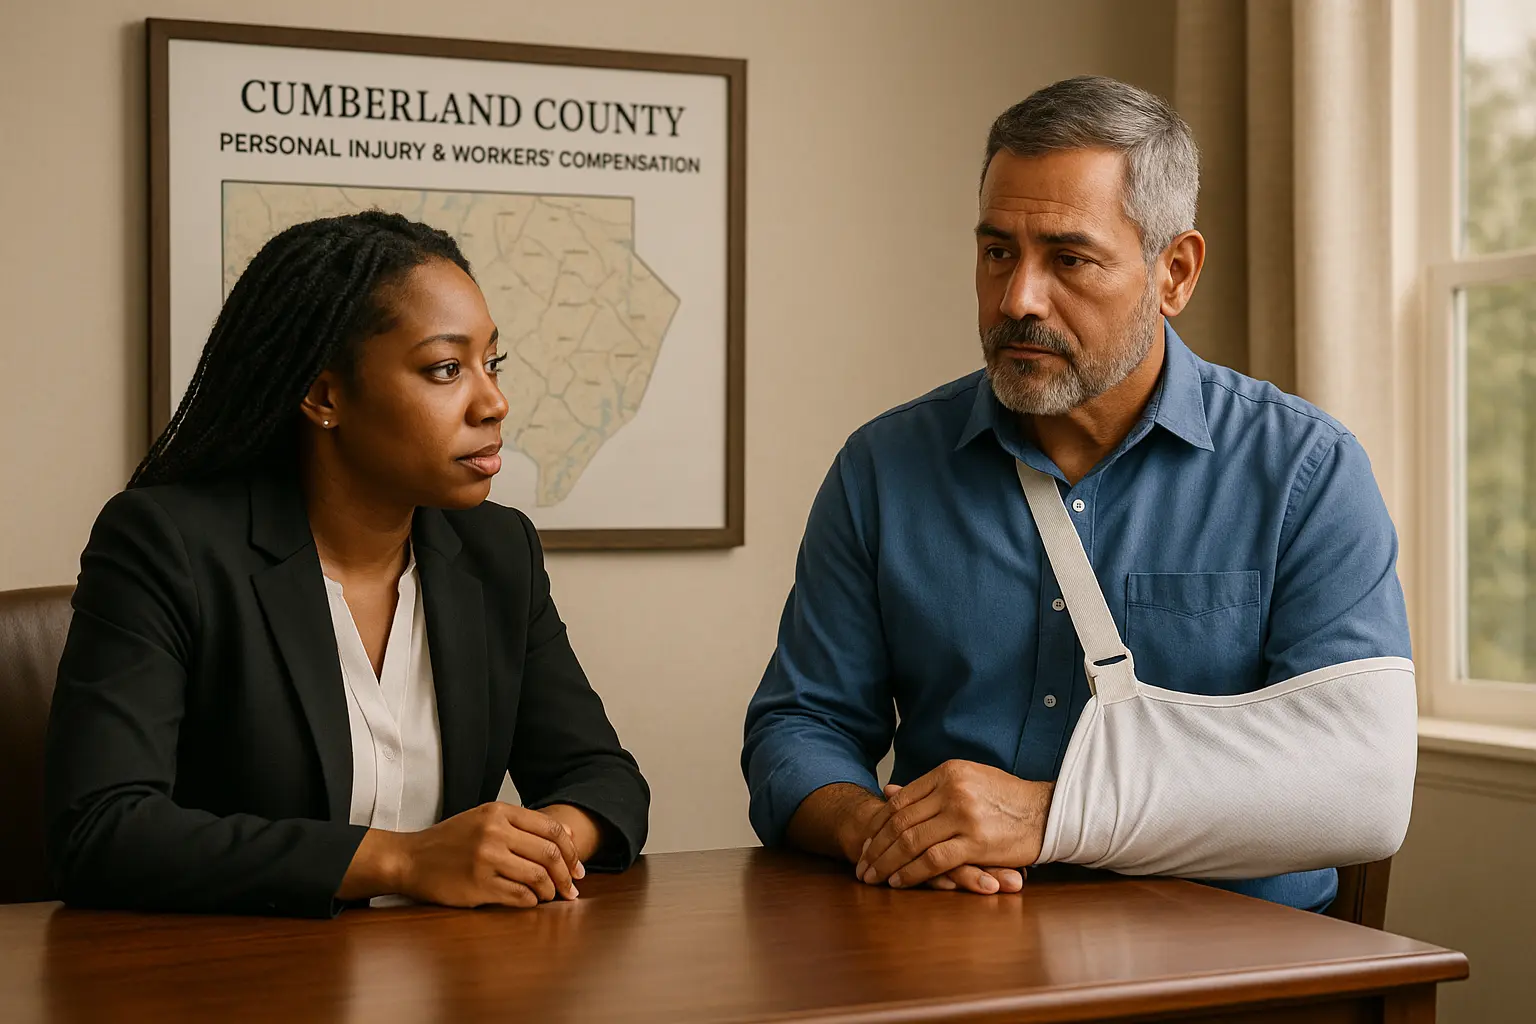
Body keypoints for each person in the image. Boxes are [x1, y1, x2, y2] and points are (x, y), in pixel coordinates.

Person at [741, 76, 1414, 912]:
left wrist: (1049, 818)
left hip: (1236, 972)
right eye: (997, 253)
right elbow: (798, 728)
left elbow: (1362, 787)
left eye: (1068, 259)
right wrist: (878, 831)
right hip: (954, 950)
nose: (1018, 299)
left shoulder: (1306, 473)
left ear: (1174, 272)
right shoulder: (883, 468)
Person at [46, 211, 649, 917]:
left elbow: (605, 780)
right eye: (446, 369)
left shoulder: (497, 552)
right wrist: (401, 858)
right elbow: (102, 830)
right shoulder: (165, 545)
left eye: (493, 363)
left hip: (455, 981)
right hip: (240, 985)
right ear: (326, 396)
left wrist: (540, 844)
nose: (493, 402)